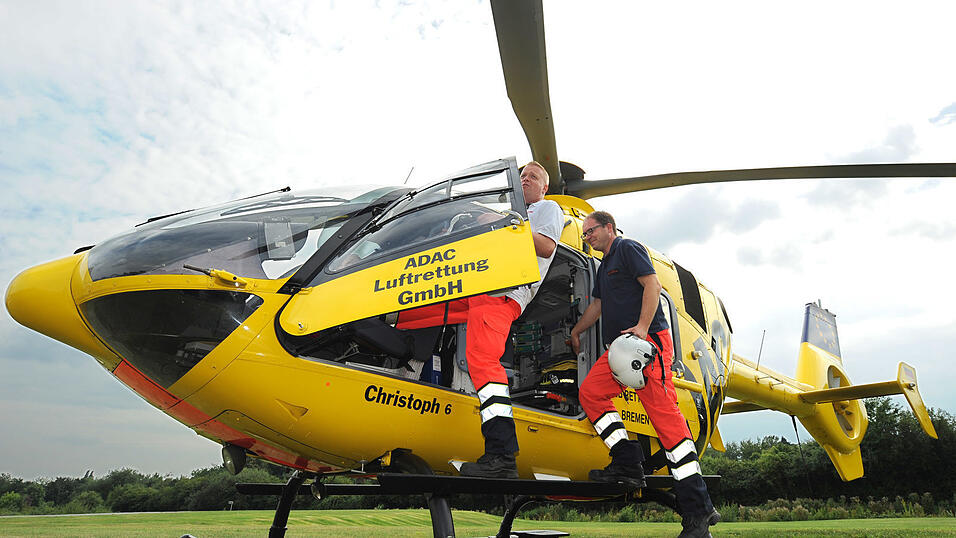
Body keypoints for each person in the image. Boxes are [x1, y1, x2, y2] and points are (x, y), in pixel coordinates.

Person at [396, 161, 564, 478]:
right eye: (522, 176)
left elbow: (545, 247)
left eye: (534, 178)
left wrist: (502, 222)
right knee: (420, 310)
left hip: (504, 293)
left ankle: (501, 454)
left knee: (483, 362)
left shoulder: (547, 208)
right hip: (481, 290)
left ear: (544, 188)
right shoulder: (512, 216)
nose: (526, 179)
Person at [570, 210, 720, 538]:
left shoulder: (627, 248)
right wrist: (577, 331)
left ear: (609, 227)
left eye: (591, 231)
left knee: (668, 426)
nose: (587, 238)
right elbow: (597, 305)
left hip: (646, 344)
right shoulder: (602, 267)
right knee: (591, 393)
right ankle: (626, 460)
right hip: (621, 350)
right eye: (584, 235)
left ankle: (698, 510)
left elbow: (652, 284)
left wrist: (641, 327)